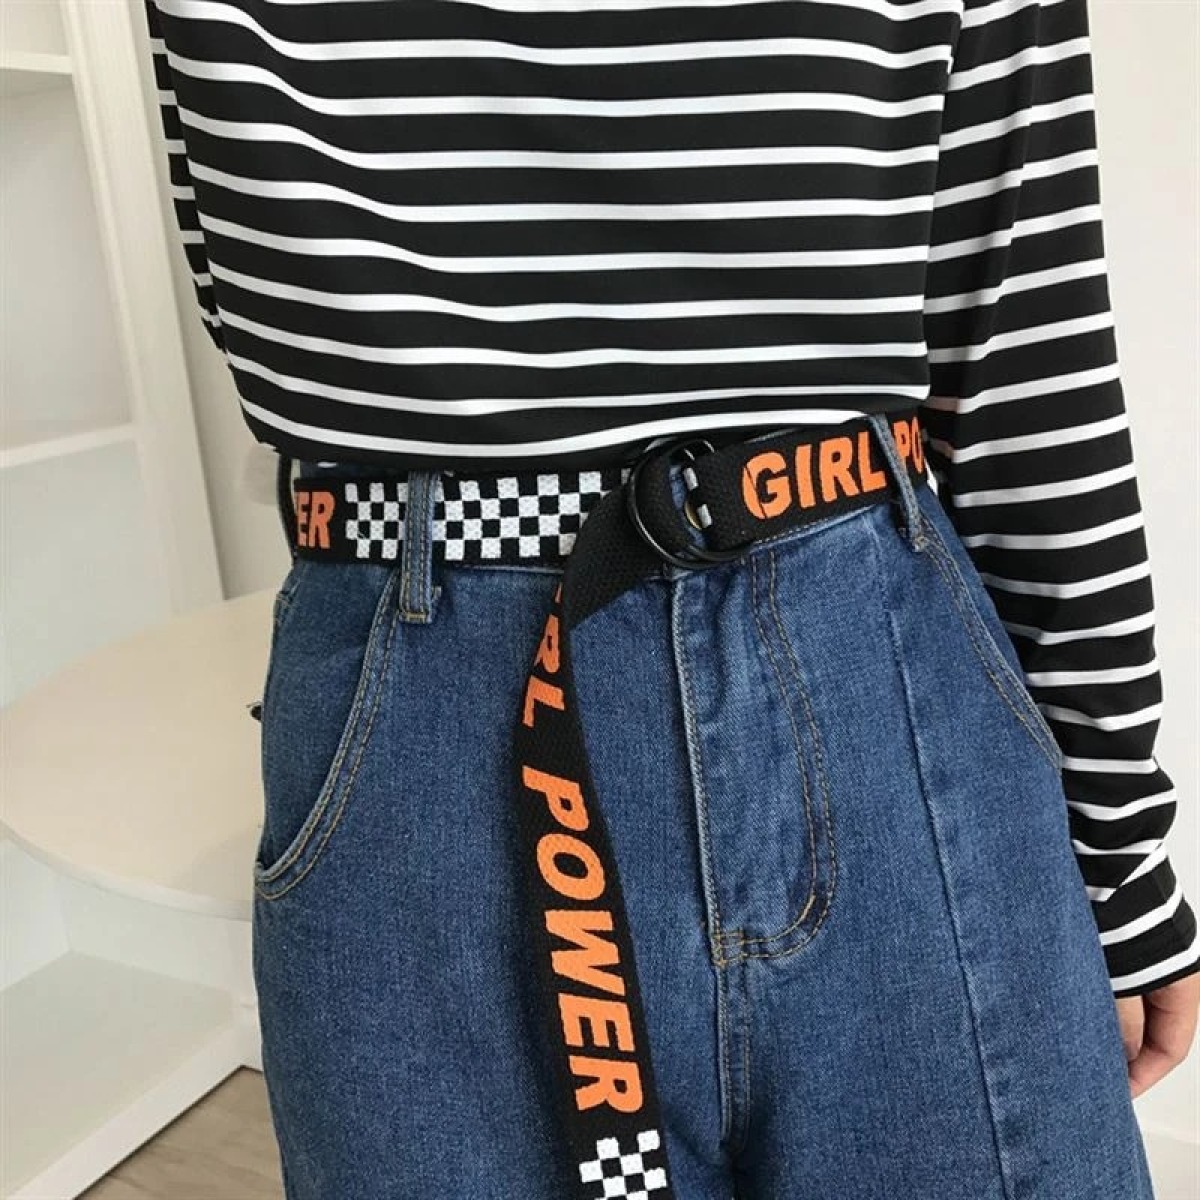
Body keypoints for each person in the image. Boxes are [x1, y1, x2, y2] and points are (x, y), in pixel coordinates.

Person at [141, 0, 1199, 1195]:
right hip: (652, 679)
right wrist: (1117, 855)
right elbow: (1015, 337)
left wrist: (1118, 849)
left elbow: (1025, 333)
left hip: (808, 675)